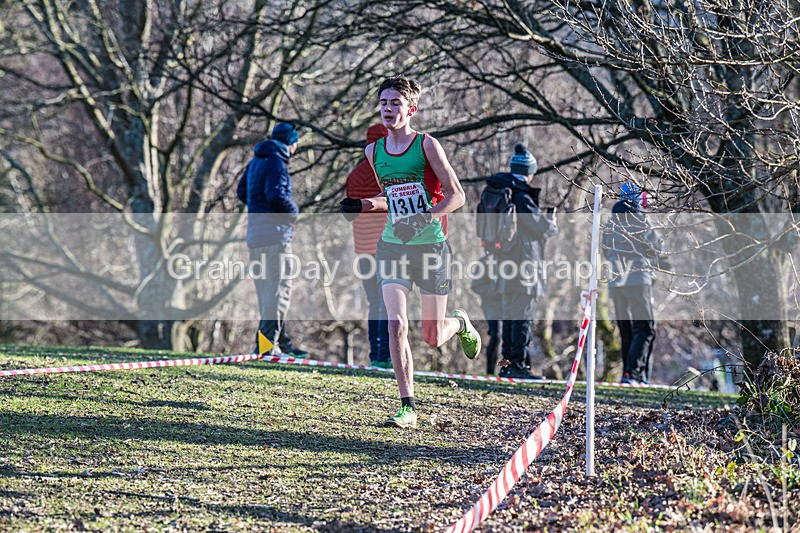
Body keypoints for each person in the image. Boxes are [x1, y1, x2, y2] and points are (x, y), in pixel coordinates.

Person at [339, 74, 481, 429]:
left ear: (411, 109)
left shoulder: (427, 146)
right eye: (384, 103)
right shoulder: (374, 151)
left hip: (430, 245)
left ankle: (460, 323)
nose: (388, 109)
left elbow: (457, 196)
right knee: (397, 324)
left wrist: (421, 218)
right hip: (391, 245)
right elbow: (391, 197)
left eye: (395, 104)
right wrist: (363, 205)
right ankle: (407, 407)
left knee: (432, 336)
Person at [477, 143, 557, 379]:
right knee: (522, 318)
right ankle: (518, 366)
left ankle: (506, 365)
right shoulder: (521, 196)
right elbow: (541, 227)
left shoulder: (502, 190)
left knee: (510, 317)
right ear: (529, 171)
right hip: (525, 265)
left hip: (504, 264)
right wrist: (551, 225)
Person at [237, 122, 308, 357]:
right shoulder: (277, 162)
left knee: (268, 293)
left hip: (255, 236)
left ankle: (282, 342)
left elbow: (241, 192)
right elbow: (277, 196)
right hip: (275, 236)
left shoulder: (257, 160)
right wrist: (294, 214)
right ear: (291, 142)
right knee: (279, 291)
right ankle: (267, 347)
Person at [602, 181, 664, 384]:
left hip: (615, 281)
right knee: (645, 328)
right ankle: (634, 373)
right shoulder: (641, 219)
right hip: (638, 280)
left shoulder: (611, 221)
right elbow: (656, 248)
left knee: (626, 329)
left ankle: (629, 375)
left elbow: (605, 250)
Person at [341, 123, 392, 368]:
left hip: (362, 246)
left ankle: (376, 354)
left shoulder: (353, 175)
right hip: (385, 244)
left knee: (375, 302)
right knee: (389, 301)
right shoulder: (386, 171)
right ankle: (386, 354)